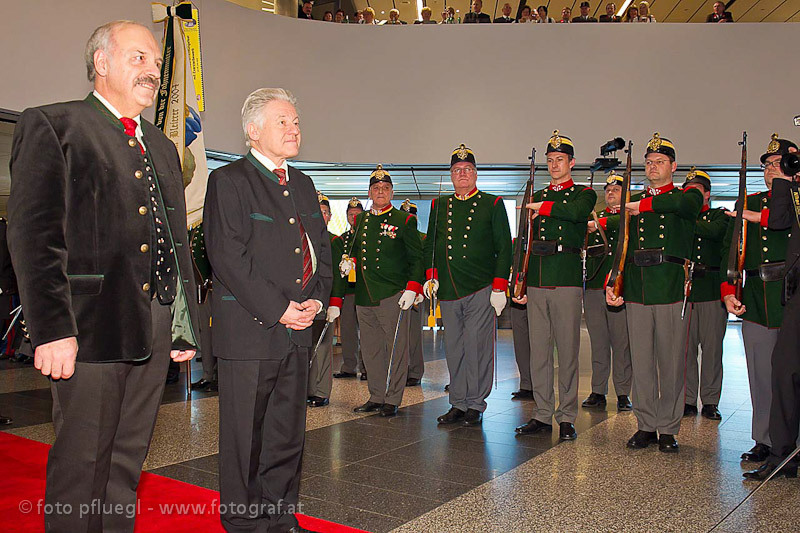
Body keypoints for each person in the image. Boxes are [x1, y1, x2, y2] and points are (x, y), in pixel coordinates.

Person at [8, 20, 199, 531]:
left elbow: (175, 240)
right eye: (139, 58)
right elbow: (34, 237)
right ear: (101, 62)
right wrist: (51, 329)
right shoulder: (55, 125)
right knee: (83, 463)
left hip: (154, 323)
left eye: (157, 63)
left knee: (125, 463)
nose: (153, 71)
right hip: (88, 326)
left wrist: (182, 324)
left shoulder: (161, 145)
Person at [205, 87, 331, 532]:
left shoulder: (302, 183)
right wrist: (280, 309)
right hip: (251, 331)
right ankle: (242, 523)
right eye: (283, 121)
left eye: (296, 121)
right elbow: (228, 257)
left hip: (298, 330)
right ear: (253, 131)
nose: (294, 128)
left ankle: (279, 516)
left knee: (285, 434)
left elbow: (319, 249)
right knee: (246, 437)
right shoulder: (230, 181)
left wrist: (318, 297)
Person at [605, 133, 703, 453]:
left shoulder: (684, 195)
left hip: (670, 285)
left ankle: (669, 428)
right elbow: (620, 247)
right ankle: (646, 424)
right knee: (642, 361)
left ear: (673, 167)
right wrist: (612, 281)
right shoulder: (631, 201)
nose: (652, 167)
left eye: (659, 162)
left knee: (671, 361)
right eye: (649, 162)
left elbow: (683, 203)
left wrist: (638, 205)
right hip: (638, 287)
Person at [513, 132, 596, 441]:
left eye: (559, 160)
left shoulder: (582, 193)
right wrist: (519, 279)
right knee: (539, 352)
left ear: (571, 163)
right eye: (550, 160)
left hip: (565, 277)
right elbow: (526, 241)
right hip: (538, 277)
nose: (554, 165)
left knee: (568, 351)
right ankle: (543, 414)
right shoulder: (542, 192)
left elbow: (576, 214)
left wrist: (543, 207)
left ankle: (567, 416)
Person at [425, 144, 512, 427]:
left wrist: (499, 286)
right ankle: (458, 403)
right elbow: (433, 246)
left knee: (477, 348)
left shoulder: (493, 203)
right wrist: (431, 276)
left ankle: (475, 403)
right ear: (451, 176)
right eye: (457, 170)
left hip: (480, 286)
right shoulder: (440, 206)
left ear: (476, 174)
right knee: (454, 348)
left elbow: (504, 248)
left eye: (467, 170)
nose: (462, 174)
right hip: (449, 288)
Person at [722, 134, 795, 467]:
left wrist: (753, 215)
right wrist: (727, 292)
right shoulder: (748, 201)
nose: (771, 170)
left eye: (778, 164)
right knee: (760, 374)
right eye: (767, 165)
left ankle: (792, 441)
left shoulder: (795, 200)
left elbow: (781, 222)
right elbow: (732, 251)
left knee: (793, 376)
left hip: (791, 297)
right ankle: (764, 439)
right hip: (756, 297)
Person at [334, 165, 423, 417]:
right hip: (364, 295)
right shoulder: (361, 220)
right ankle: (376, 395)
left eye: (385, 188)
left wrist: (412, 288)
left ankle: (392, 398)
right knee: (371, 350)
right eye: (376, 188)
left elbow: (416, 258)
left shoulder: (403, 220)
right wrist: (347, 260)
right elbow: (352, 248)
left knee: (395, 349)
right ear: (370, 192)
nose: (380, 192)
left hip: (392, 293)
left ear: (392, 192)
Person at [745, 143, 800, 480]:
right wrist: (784, 180)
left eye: (785, 162)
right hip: (796, 290)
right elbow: (779, 220)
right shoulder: (791, 191)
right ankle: (783, 455)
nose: (778, 167)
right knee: (784, 370)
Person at [582, 173, 632, 412]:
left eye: (617, 189)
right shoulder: (595, 217)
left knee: (621, 343)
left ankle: (623, 393)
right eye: (608, 189)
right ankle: (597, 390)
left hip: (619, 287)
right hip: (593, 287)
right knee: (598, 342)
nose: (611, 192)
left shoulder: (629, 216)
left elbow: (620, 226)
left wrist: (597, 225)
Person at [682, 168, 729, 421]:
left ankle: (710, 400)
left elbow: (715, 233)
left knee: (712, 350)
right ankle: (688, 399)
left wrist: (688, 220)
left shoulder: (719, 216)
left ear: (707, 194)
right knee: (686, 350)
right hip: (687, 290)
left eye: (696, 191)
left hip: (711, 288)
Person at [307, 192, 344, 408]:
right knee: (305, 348)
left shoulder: (334, 241)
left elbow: (336, 275)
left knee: (321, 349)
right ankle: (307, 388)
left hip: (324, 302)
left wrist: (334, 303)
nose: (320, 216)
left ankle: (321, 391)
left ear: (329, 216)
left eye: (324, 213)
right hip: (304, 302)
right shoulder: (302, 238)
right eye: (317, 212)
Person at [334, 198, 366, 379]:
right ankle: (349, 366)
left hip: (365, 291)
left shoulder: (369, 236)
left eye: (357, 214)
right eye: (350, 214)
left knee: (368, 333)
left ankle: (367, 367)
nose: (354, 217)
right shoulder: (342, 240)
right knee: (347, 331)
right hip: (348, 291)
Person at [190, 223, 218, 391]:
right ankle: (208, 375)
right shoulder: (194, 224)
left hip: (217, 286)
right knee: (205, 333)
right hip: (202, 287)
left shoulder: (209, 224)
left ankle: (218, 375)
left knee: (221, 333)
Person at [400, 199, 426, 386]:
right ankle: (399, 372)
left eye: (412, 215)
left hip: (417, 292)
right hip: (397, 291)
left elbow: (424, 264)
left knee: (414, 335)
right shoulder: (395, 236)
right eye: (407, 215)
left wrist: (421, 288)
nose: (410, 218)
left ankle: (415, 371)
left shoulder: (423, 238)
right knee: (399, 335)